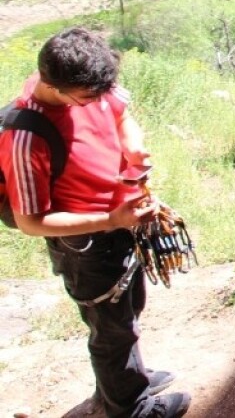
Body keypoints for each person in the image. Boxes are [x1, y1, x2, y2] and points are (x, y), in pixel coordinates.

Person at [0, 28, 191, 418]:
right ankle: (130, 408)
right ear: (54, 88)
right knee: (110, 324)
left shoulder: (89, 83)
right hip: (86, 244)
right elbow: (31, 221)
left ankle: (124, 379)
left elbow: (122, 114)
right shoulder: (25, 137)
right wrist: (108, 219)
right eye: (89, 98)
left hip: (119, 222)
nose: (100, 101)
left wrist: (134, 151)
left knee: (128, 307)